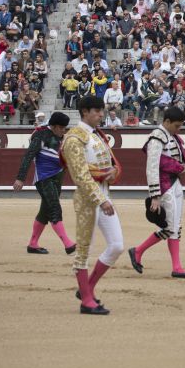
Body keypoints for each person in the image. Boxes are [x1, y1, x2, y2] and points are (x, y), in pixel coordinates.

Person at [61, 95, 124, 315]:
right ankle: (86, 300)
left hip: (104, 195)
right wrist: (101, 199)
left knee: (116, 245)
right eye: (97, 111)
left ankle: (87, 288)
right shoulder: (74, 138)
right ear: (85, 112)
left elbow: (107, 165)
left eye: (102, 111)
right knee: (83, 250)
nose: (101, 114)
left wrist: (112, 174)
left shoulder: (96, 136)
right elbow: (80, 175)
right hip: (89, 199)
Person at [128, 107, 185, 279]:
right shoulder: (157, 138)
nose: (178, 129)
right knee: (170, 227)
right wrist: (155, 195)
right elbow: (151, 167)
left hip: (175, 184)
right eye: (177, 126)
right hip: (164, 186)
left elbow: (177, 159)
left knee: (174, 226)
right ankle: (173, 266)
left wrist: (183, 168)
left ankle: (140, 252)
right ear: (166, 122)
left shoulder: (169, 136)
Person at [13, 112, 76, 255]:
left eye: (65, 128)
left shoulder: (63, 138)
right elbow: (28, 156)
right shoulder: (41, 135)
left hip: (57, 177)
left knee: (45, 212)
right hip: (43, 178)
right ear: (53, 126)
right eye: (61, 128)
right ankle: (67, 243)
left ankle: (33, 244)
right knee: (54, 208)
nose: (63, 131)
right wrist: (20, 178)